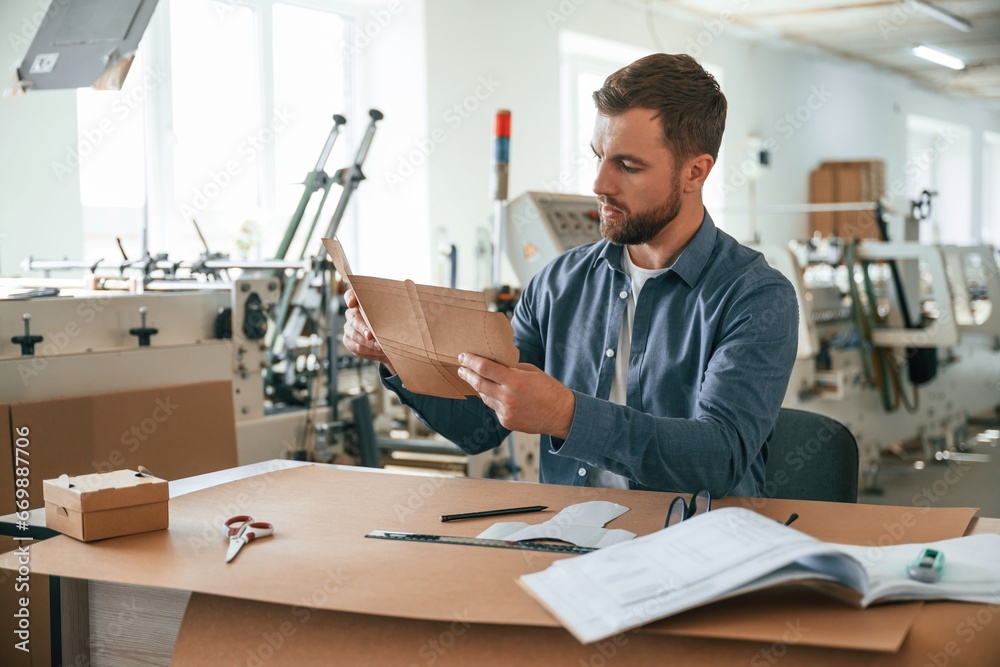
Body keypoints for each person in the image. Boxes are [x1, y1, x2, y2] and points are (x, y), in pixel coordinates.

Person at [342, 53, 798, 497]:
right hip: (571, 544)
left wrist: (567, 415)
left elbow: (718, 457)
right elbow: (481, 426)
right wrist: (398, 355)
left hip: (697, 550)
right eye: (598, 156)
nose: (600, 184)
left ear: (695, 172)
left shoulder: (756, 297)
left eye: (627, 165)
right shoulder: (558, 283)